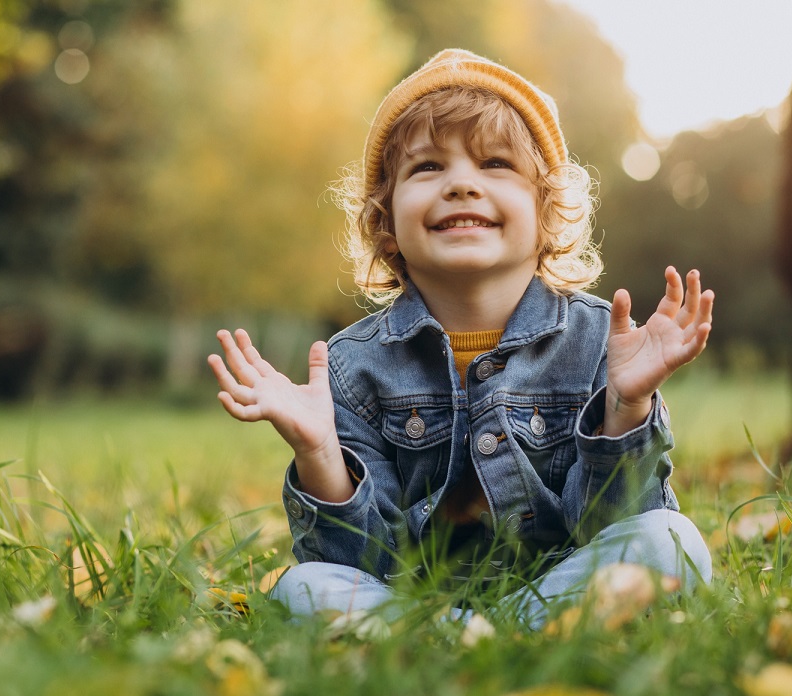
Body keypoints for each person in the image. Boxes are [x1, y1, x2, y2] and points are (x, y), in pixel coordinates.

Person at [207, 49, 714, 629]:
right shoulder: (352, 369)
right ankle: (462, 637)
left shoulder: (601, 342)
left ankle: (487, 637)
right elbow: (363, 564)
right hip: (415, 608)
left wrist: (627, 408)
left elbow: (611, 529)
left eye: (495, 163)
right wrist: (321, 455)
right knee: (304, 587)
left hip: (562, 591)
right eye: (427, 168)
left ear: (545, 211)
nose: (461, 185)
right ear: (386, 221)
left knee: (670, 541)